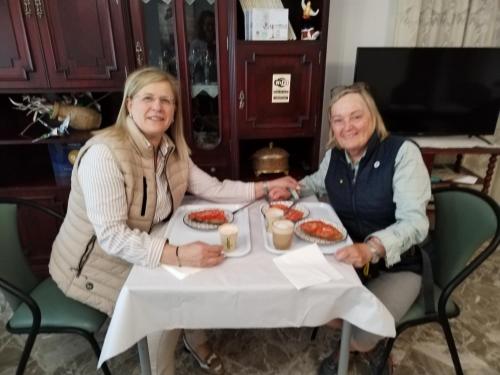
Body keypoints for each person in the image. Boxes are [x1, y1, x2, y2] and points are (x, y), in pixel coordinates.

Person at [48, 66, 299, 375]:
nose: (158, 107)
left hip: (146, 243)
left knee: (206, 272)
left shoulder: (169, 148)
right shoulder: (104, 154)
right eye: (148, 98)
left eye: (166, 100)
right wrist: (178, 254)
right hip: (94, 264)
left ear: (174, 110)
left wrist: (264, 187)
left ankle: (194, 339)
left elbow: (213, 189)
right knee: (162, 312)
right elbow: (112, 237)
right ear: (129, 104)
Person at [272, 82, 431, 374]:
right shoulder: (335, 156)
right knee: (298, 294)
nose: (348, 126)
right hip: (345, 257)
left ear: (372, 117)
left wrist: (371, 248)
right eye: (339, 119)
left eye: (356, 116)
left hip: (397, 264)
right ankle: (354, 338)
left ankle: (357, 346)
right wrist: (290, 191)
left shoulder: (403, 153)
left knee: (364, 330)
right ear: (332, 126)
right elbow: (314, 183)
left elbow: (416, 223)